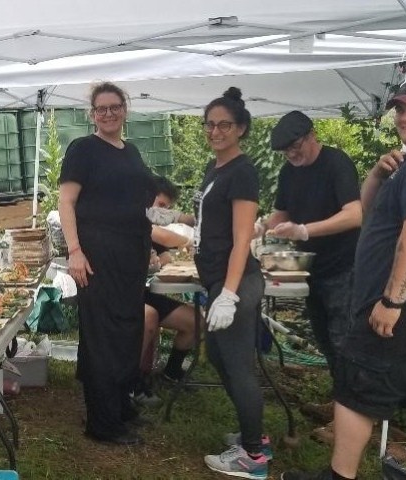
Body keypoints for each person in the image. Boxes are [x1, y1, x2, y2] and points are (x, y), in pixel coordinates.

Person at [281, 77, 406, 480]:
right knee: (372, 385)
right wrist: (378, 176)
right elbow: (368, 213)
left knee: (355, 389)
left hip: (401, 302)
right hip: (400, 300)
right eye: (400, 109)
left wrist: (393, 301)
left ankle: (339, 475)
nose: (405, 117)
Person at [59, 81, 153, 447]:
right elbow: (66, 202)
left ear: (125, 110)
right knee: (103, 337)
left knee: (127, 331)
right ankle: (102, 422)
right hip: (96, 256)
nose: (109, 113)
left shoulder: (131, 152)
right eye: (101, 108)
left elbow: (138, 204)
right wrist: (74, 250)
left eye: (115, 107)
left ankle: (121, 406)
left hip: (131, 257)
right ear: (92, 114)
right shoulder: (83, 149)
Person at [194, 87, 268, 479]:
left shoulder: (242, 171)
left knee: (238, 365)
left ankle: (253, 457)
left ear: (241, 129)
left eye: (224, 125)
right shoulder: (216, 167)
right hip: (218, 279)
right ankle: (252, 434)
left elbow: (242, 239)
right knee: (222, 359)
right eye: (210, 124)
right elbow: (214, 223)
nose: (215, 131)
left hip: (235, 280)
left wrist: (228, 293)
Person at [258, 111, 361, 376]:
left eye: (295, 146)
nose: (291, 155)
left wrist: (304, 231)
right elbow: (280, 214)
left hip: (344, 269)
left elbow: (355, 214)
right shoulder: (287, 172)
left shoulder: (337, 163)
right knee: (326, 342)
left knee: (345, 344)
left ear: (312, 135)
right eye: (285, 151)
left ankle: (353, 411)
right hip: (310, 270)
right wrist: (261, 228)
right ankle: (339, 405)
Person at [135, 176, 198, 406]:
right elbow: (160, 235)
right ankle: (133, 382)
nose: (163, 212)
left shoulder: (158, 223)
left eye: (167, 209)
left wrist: (161, 259)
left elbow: (163, 254)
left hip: (146, 291)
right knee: (147, 317)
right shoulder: (137, 216)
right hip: (122, 294)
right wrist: (191, 241)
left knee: (195, 320)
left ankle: (171, 373)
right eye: (161, 205)